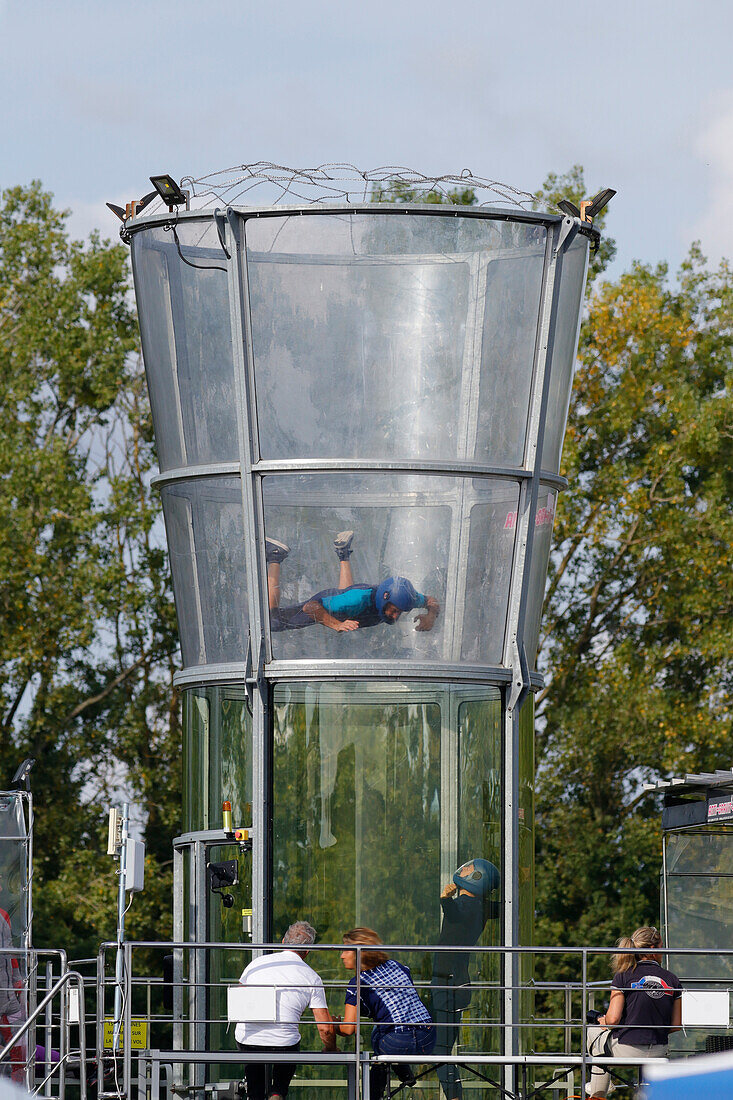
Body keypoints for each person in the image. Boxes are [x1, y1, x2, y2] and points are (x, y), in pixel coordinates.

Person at [234, 920, 336, 1100]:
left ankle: (256, 1094)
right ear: (307, 952)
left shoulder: (257, 964)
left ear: (282, 942)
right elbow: (325, 1028)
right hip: (283, 1044)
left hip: (248, 1039)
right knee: (286, 1056)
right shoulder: (312, 977)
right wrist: (331, 1048)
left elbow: (239, 998)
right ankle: (277, 1092)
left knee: (255, 1083)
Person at [266, 532, 440, 634]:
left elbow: (432, 601)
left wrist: (431, 617)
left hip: (349, 600)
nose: (395, 616)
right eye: (394, 610)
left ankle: (343, 553)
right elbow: (310, 608)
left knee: (345, 604)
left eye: (399, 612)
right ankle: (276, 556)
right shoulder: (355, 600)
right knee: (272, 622)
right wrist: (336, 624)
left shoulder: (406, 598)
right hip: (323, 606)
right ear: (385, 598)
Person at [334, 927, 435, 1100]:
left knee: (378, 1036)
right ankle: (404, 1073)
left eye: (345, 950)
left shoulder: (357, 983)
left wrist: (333, 1024)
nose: (342, 955)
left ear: (360, 953)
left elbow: (348, 1029)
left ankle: (374, 1096)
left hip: (397, 1043)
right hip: (428, 1037)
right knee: (385, 1028)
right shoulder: (397, 966)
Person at [430, 859, 500, 1100]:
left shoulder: (465, 905)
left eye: (470, 869)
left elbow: (455, 912)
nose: (464, 869)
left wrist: (445, 899)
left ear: (477, 877)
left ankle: (454, 1096)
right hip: (454, 982)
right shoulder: (481, 907)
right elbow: (500, 907)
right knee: (440, 1046)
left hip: (447, 983)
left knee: (440, 1049)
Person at [585, 926, 682, 1099]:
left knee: (593, 1033)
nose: (664, 951)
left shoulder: (623, 976)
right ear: (652, 950)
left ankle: (599, 1091)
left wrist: (601, 1019)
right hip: (660, 1051)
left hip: (628, 1050)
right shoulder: (673, 979)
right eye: (662, 947)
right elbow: (675, 1025)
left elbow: (613, 1020)